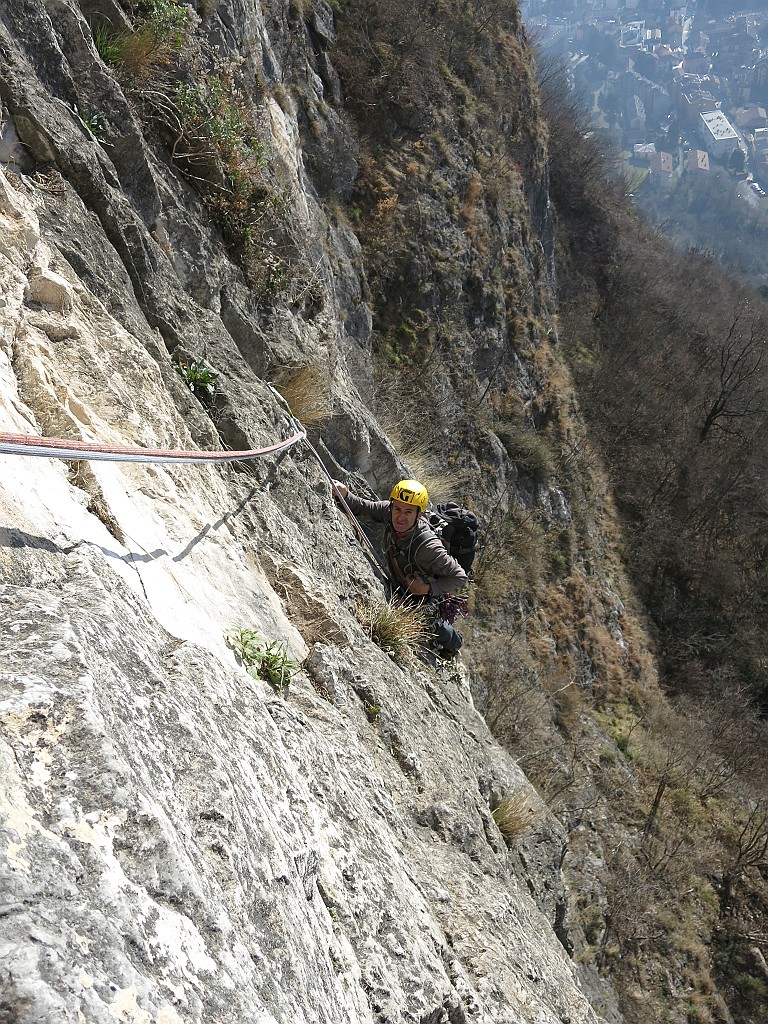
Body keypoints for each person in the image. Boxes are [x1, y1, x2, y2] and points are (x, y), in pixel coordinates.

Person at [332, 477, 467, 655]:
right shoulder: (389, 512)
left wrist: (426, 588)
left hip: (422, 596)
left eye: (408, 512)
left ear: (419, 515)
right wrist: (345, 494)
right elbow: (362, 506)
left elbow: (459, 577)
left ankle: (453, 643)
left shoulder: (429, 547)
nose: (400, 517)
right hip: (401, 582)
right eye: (397, 509)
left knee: (431, 625)